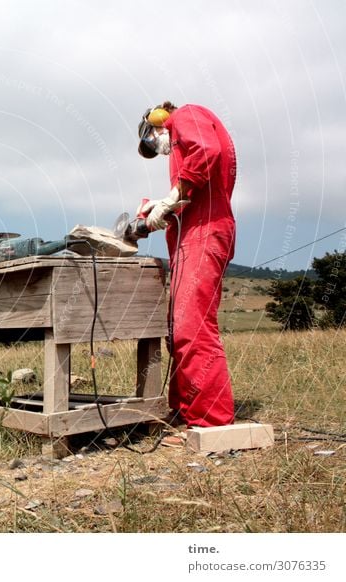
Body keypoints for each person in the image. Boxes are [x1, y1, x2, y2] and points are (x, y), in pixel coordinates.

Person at [137, 101, 236, 428]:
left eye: (152, 141)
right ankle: (186, 411)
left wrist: (169, 199)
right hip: (193, 232)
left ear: (157, 121)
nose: (160, 150)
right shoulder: (183, 140)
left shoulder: (185, 116)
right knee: (176, 329)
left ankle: (211, 420)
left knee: (192, 326)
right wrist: (163, 205)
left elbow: (207, 153)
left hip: (205, 232)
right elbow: (195, 188)